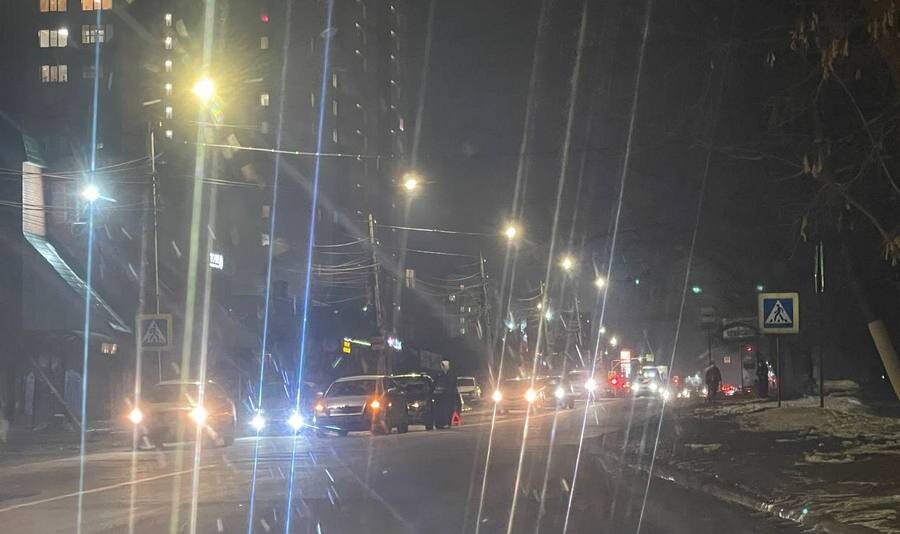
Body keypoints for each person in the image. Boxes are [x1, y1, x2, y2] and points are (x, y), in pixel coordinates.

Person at [431, 360, 460, 428]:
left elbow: (454, 385)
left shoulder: (451, 375)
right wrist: (433, 392)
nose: (442, 367)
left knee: (450, 409)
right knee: (440, 410)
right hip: (440, 396)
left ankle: (448, 423)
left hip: (449, 395)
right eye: (442, 366)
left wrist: (453, 393)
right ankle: (439, 423)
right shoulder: (439, 375)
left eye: (443, 366)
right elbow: (434, 384)